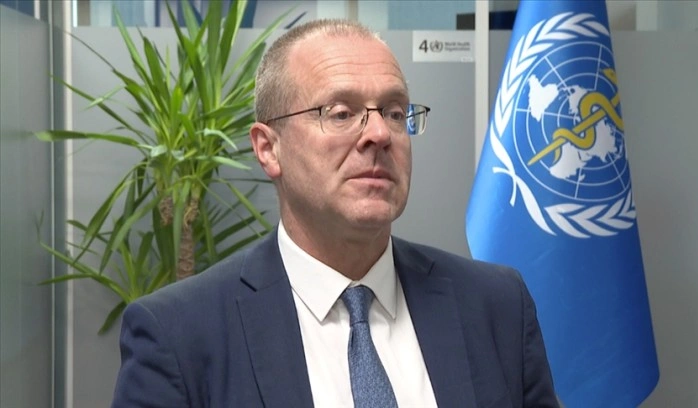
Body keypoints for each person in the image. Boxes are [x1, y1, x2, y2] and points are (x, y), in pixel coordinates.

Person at [111, 18, 557, 408]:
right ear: (268, 148)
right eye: (341, 113)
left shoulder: (496, 306)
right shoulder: (180, 334)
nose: (379, 133)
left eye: (395, 112)